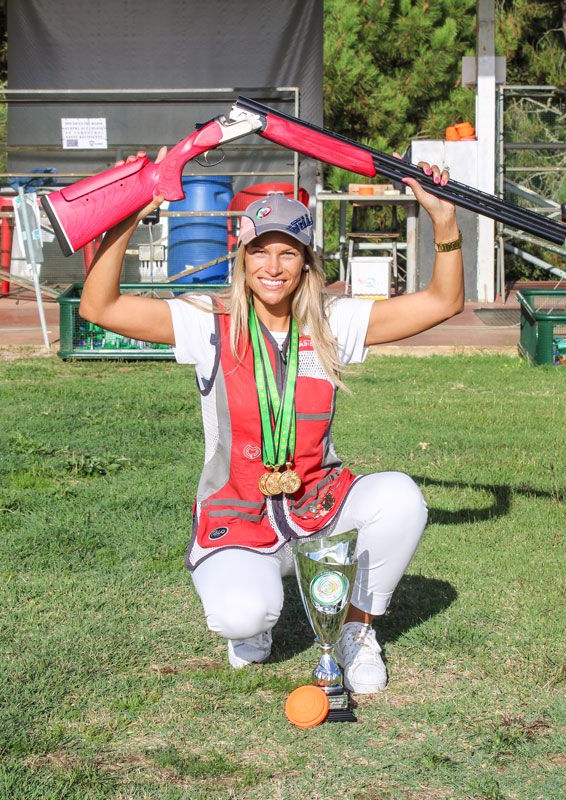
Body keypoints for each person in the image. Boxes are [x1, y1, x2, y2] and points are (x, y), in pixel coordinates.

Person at [79, 147, 464, 694]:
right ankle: (256, 613)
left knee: (401, 497)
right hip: (239, 515)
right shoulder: (208, 323)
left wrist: (444, 222)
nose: (273, 267)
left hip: (318, 505)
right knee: (243, 615)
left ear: (306, 262)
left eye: (288, 253)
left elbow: (443, 302)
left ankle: (355, 629)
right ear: (242, 258)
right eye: (260, 252)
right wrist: (128, 217)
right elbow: (99, 308)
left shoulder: (332, 321)